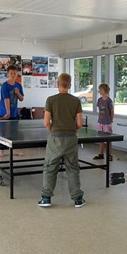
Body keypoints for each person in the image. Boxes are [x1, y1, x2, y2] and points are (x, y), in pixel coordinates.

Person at [38, 73, 85, 208]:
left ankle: (46, 198)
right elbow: (80, 123)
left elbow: (46, 122)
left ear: (57, 84)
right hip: (71, 138)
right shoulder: (76, 101)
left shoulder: (51, 100)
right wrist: (73, 131)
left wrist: (53, 131)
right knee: (73, 168)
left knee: (50, 167)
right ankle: (77, 199)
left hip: (55, 138)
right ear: (70, 85)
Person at [93, 83, 114, 161]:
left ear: (105, 90)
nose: (100, 91)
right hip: (100, 122)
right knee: (101, 139)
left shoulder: (109, 100)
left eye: (101, 90)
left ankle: (110, 155)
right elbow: (100, 110)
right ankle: (101, 154)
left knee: (108, 139)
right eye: (100, 90)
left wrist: (110, 120)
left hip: (107, 123)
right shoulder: (99, 100)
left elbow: (112, 111)